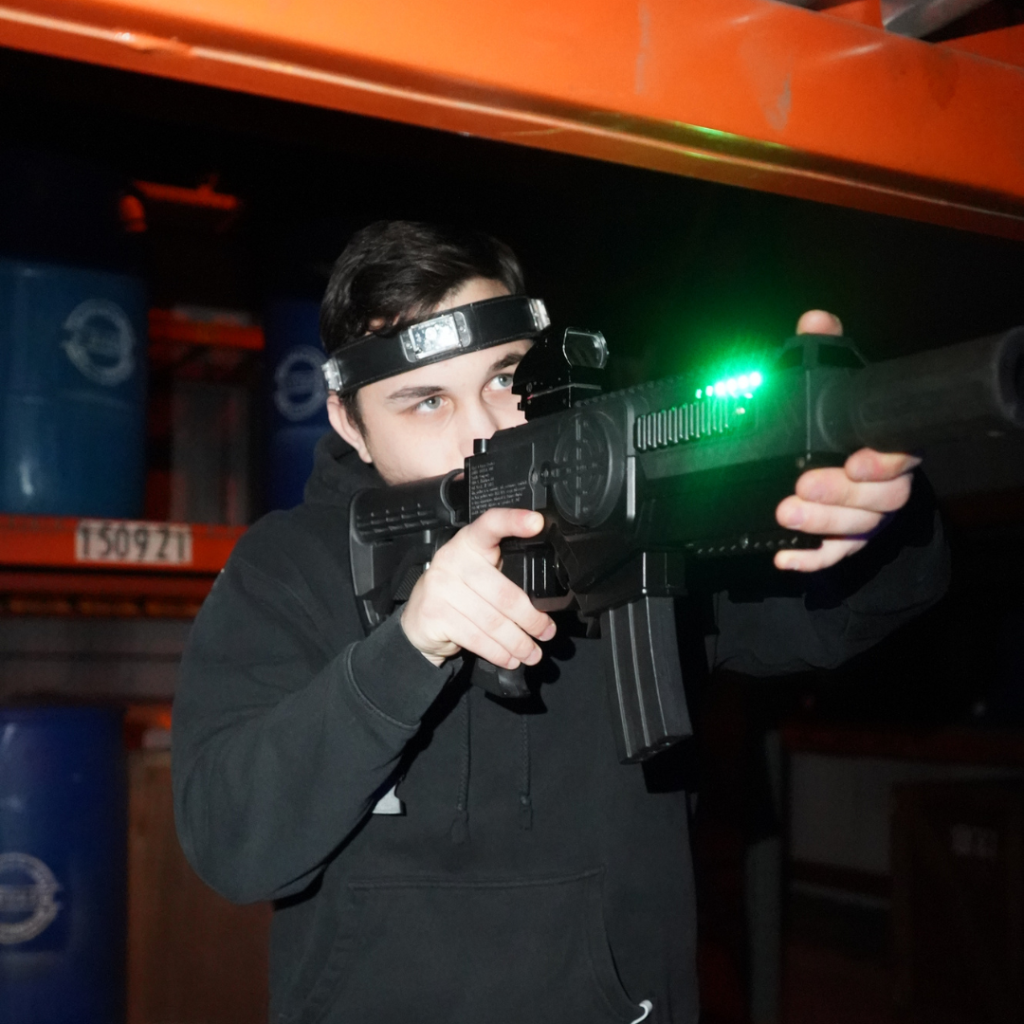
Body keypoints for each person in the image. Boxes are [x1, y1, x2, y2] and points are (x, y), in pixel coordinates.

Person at [172, 220, 949, 1024]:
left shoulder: (635, 519)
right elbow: (231, 844)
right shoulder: (288, 567)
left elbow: (838, 620)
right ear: (347, 422)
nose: (486, 429)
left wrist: (871, 517)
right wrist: (404, 651)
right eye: (427, 400)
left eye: (505, 376)